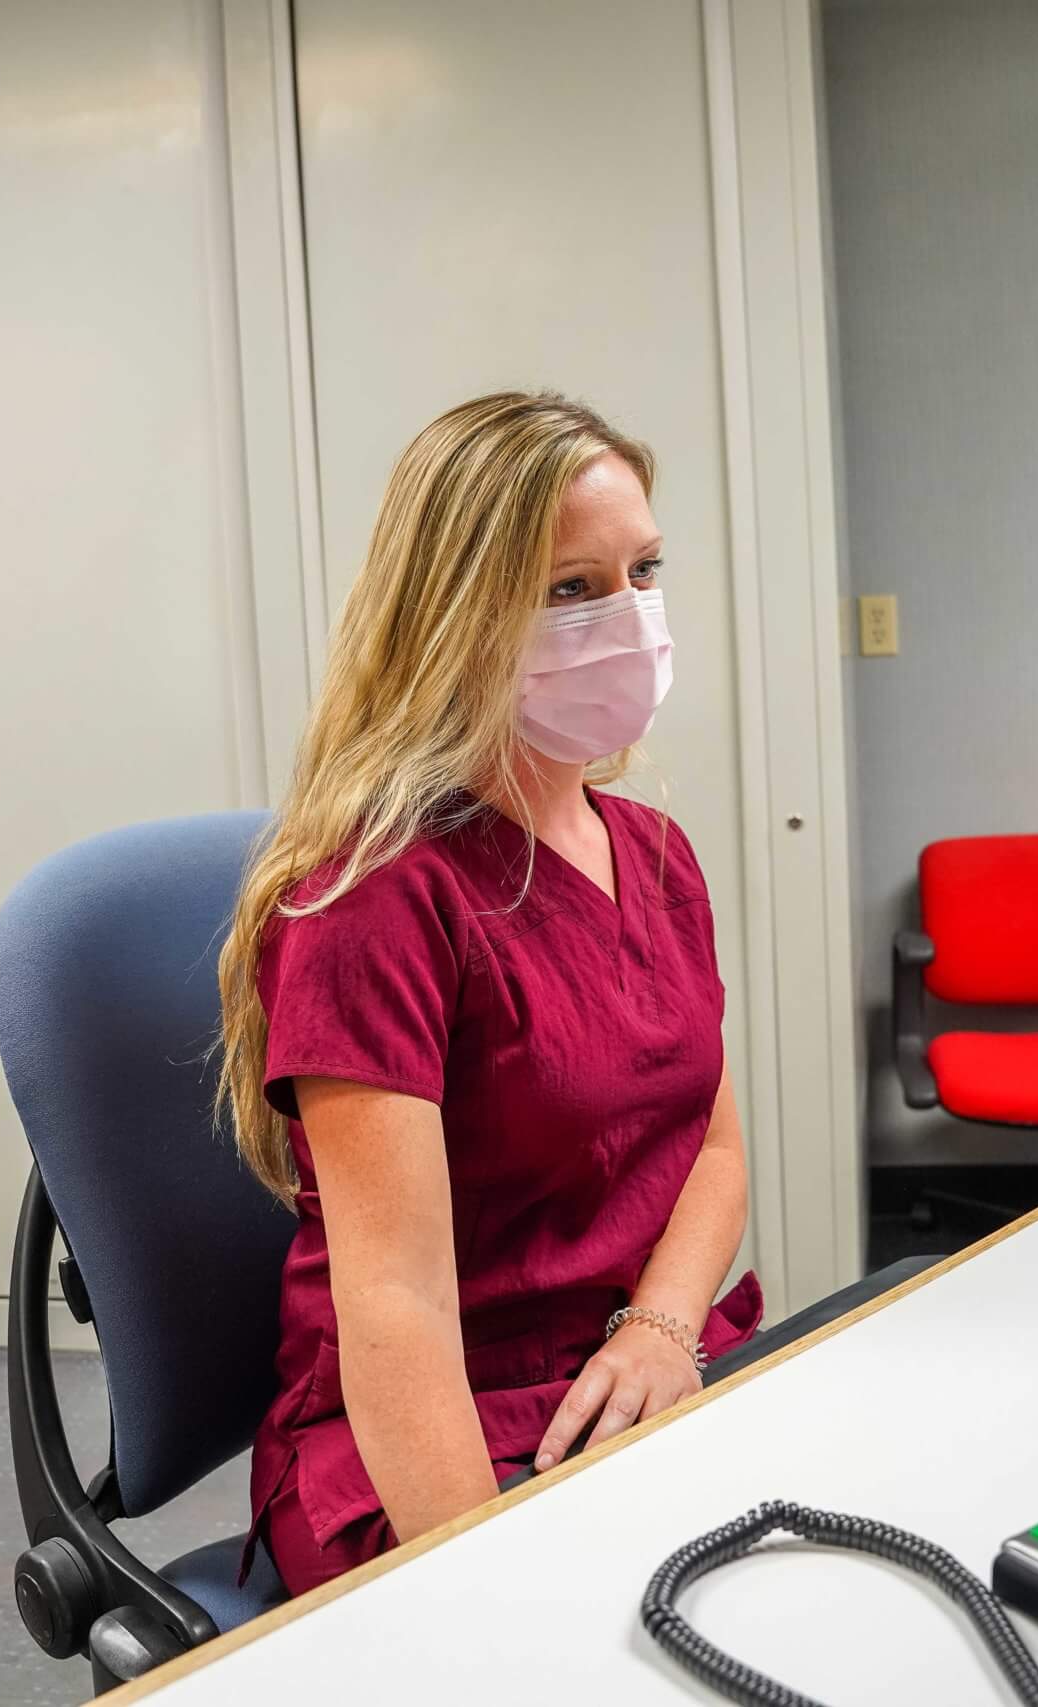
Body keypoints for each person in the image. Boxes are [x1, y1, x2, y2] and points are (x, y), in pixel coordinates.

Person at [215, 391, 761, 1595]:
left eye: (643, 571)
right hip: (448, 1429)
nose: (626, 618)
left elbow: (712, 1142)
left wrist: (666, 1324)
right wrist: (490, 1605)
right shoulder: (370, 900)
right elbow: (397, 1309)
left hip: (645, 1366)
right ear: (456, 615)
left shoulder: (654, 852)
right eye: (572, 588)